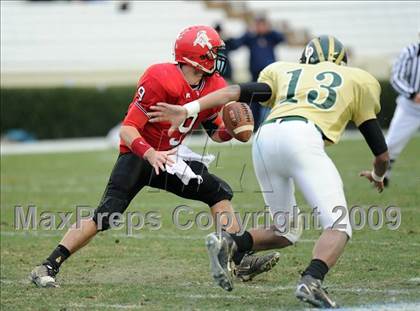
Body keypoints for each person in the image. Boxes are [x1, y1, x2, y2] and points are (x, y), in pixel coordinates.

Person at [148, 35, 390, 308]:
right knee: (339, 225)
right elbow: (381, 154)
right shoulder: (357, 79)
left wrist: (188, 109)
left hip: (265, 139)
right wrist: (379, 175)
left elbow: (233, 92)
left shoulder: (284, 71)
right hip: (303, 137)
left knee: (286, 231)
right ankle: (311, 280)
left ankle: (232, 244)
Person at [30, 25, 280, 288]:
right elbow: (127, 129)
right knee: (107, 214)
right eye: (213, 51)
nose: (218, 57)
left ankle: (240, 260)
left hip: (171, 156)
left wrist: (231, 131)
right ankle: (47, 265)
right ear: (198, 57)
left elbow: (214, 131)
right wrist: (149, 153)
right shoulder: (160, 77)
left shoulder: (214, 85)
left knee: (218, 191)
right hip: (139, 154)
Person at [225, 16, 304, 129]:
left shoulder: (271, 36)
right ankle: (255, 127)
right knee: (254, 102)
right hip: (255, 76)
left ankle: (270, 125)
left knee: (270, 101)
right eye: (258, 24)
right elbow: (235, 44)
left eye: (263, 24)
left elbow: (283, 38)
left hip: (270, 78)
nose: (261, 27)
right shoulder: (251, 37)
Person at [384, 42, 420, 186]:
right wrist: (412, 94)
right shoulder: (410, 52)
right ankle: (382, 174)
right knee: (391, 144)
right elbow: (396, 77)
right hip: (410, 108)